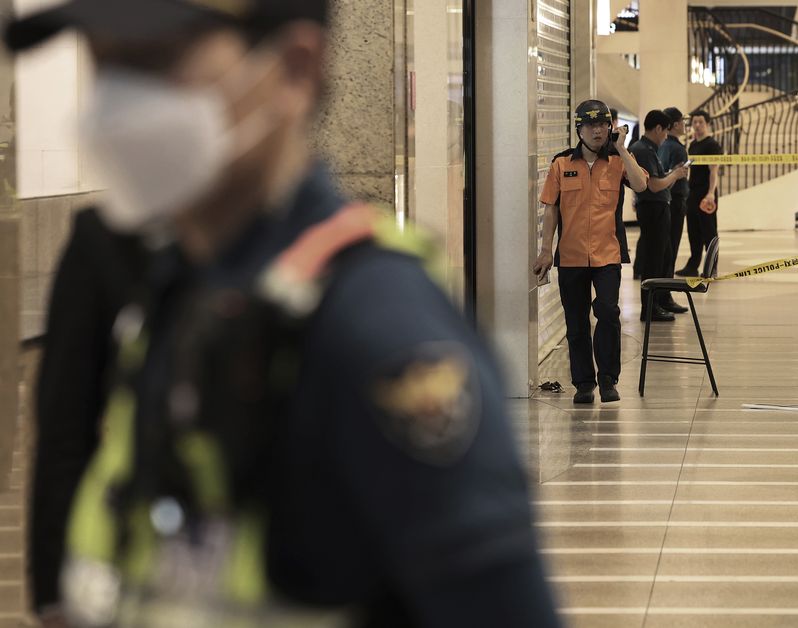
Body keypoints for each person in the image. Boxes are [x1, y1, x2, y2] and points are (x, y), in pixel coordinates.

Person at [6, 1, 561, 626]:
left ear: (294, 70)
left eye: (155, 62)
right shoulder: (180, 289)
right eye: (103, 68)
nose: (113, 108)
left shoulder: (375, 324)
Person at [29, 208, 146, 627]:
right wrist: (52, 593)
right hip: (130, 567)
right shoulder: (109, 241)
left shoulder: (328, 250)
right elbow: (65, 429)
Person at [534, 99, 648, 404]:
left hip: (607, 254)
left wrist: (622, 148)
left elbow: (641, 185)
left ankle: (608, 378)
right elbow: (550, 210)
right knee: (576, 322)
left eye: (603, 124)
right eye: (591, 125)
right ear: (579, 129)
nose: (598, 130)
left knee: (608, 312)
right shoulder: (561, 164)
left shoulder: (618, 161)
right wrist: (546, 251)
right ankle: (584, 383)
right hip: (570, 256)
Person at [628, 109, 688, 321]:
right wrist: (676, 175)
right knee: (654, 261)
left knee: (664, 256)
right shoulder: (642, 149)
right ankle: (650, 308)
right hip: (652, 209)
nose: (665, 137)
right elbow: (653, 185)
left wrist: (670, 175)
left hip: (659, 208)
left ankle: (661, 300)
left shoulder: (649, 148)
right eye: (665, 132)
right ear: (658, 128)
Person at [677, 109, 721, 277]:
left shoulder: (712, 145)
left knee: (709, 231)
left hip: (706, 193)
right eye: (694, 122)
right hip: (692, 192)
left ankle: (712, 268)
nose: (697, 125)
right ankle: (693, 265)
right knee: (693, 230)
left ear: (708, 124)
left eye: (701, 122)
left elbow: (713, 171)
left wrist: (711, 193)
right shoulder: (694, 144)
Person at [658, 107, 690, 308]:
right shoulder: (677, 148)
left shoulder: (661, 145)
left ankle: (661, 293)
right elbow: (674, 177)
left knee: (664, 250)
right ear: (676, 124)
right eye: (683, 121)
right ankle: (665, 296)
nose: (685, 125)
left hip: (663, 201)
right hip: (675, 201)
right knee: (671, 249)